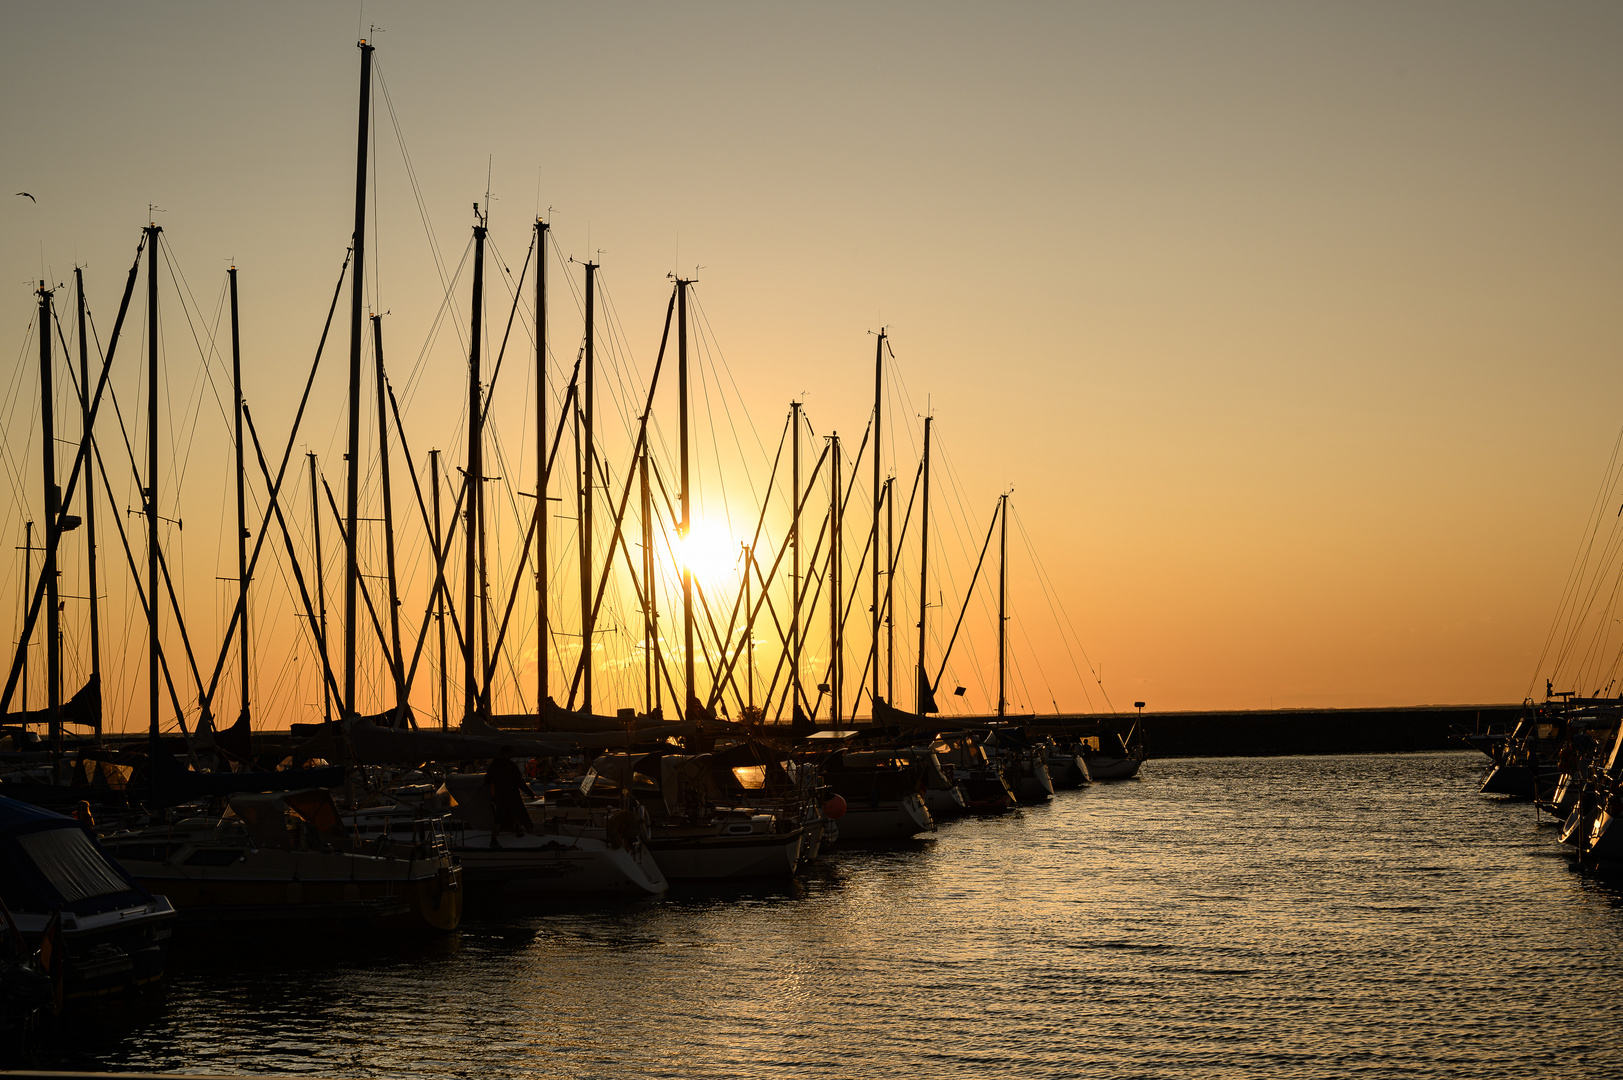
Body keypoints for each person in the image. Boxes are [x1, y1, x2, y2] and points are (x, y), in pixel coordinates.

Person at [484, 756, 535, 843]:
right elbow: (520, 782)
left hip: (501, 797)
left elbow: (487, 780)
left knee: (499, 819)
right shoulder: (511, 766)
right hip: (513, 796)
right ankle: (532, 838)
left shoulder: (493, 766)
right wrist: (530, 793)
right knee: (524, 818)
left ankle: (493, 839)